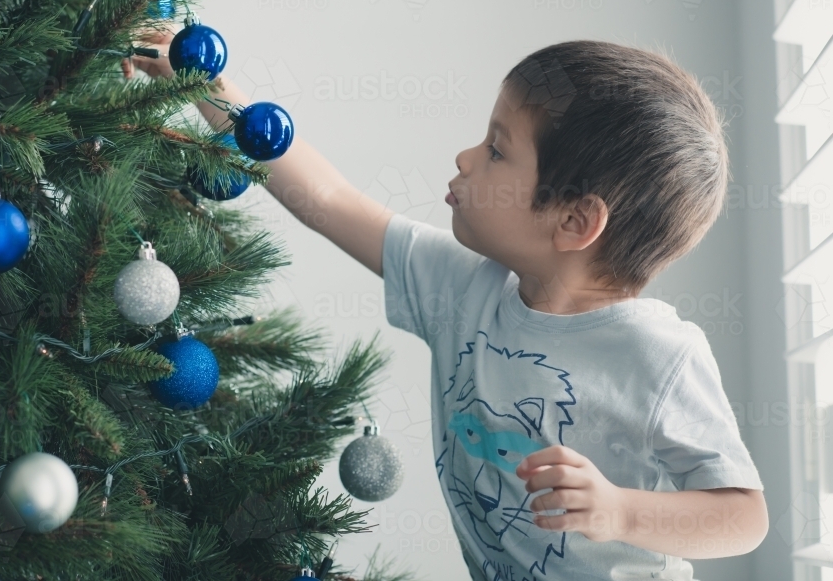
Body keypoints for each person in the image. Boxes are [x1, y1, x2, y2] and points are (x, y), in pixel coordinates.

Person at [124, 30, 768, 581]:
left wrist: (621, 511)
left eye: (496, 149)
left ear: (573, 220)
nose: (464, 157)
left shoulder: (658, 357)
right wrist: (202, 83)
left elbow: (743, 517)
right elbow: (329, 200)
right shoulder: (466, 288)